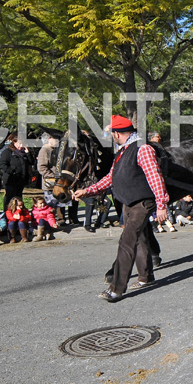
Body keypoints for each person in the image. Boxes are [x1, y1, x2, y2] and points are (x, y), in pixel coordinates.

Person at [73, 114, 169, 302]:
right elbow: (110, 178)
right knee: (140, 239)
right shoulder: (123, 151)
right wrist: (88, 191)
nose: (111, 136)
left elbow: (155, 177)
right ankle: (146, 277)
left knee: (126, 242)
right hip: (129, 202)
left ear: (117, 134)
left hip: (141, 202)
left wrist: (161, 205)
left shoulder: (143, 149)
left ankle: (116, 288)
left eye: (112, 133)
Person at [0, 133, 33, 211]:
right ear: (14, 142)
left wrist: (28, 153)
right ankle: (7, 214)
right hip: (11, 179)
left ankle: (17, 213)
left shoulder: (24, 153)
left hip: (21, 179)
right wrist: (12, 171)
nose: (21, 145)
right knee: (10, 197)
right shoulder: (8, 152)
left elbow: (31, 162)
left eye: (23, 143)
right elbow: (1, 164)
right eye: (19, 143)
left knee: (19, 197)